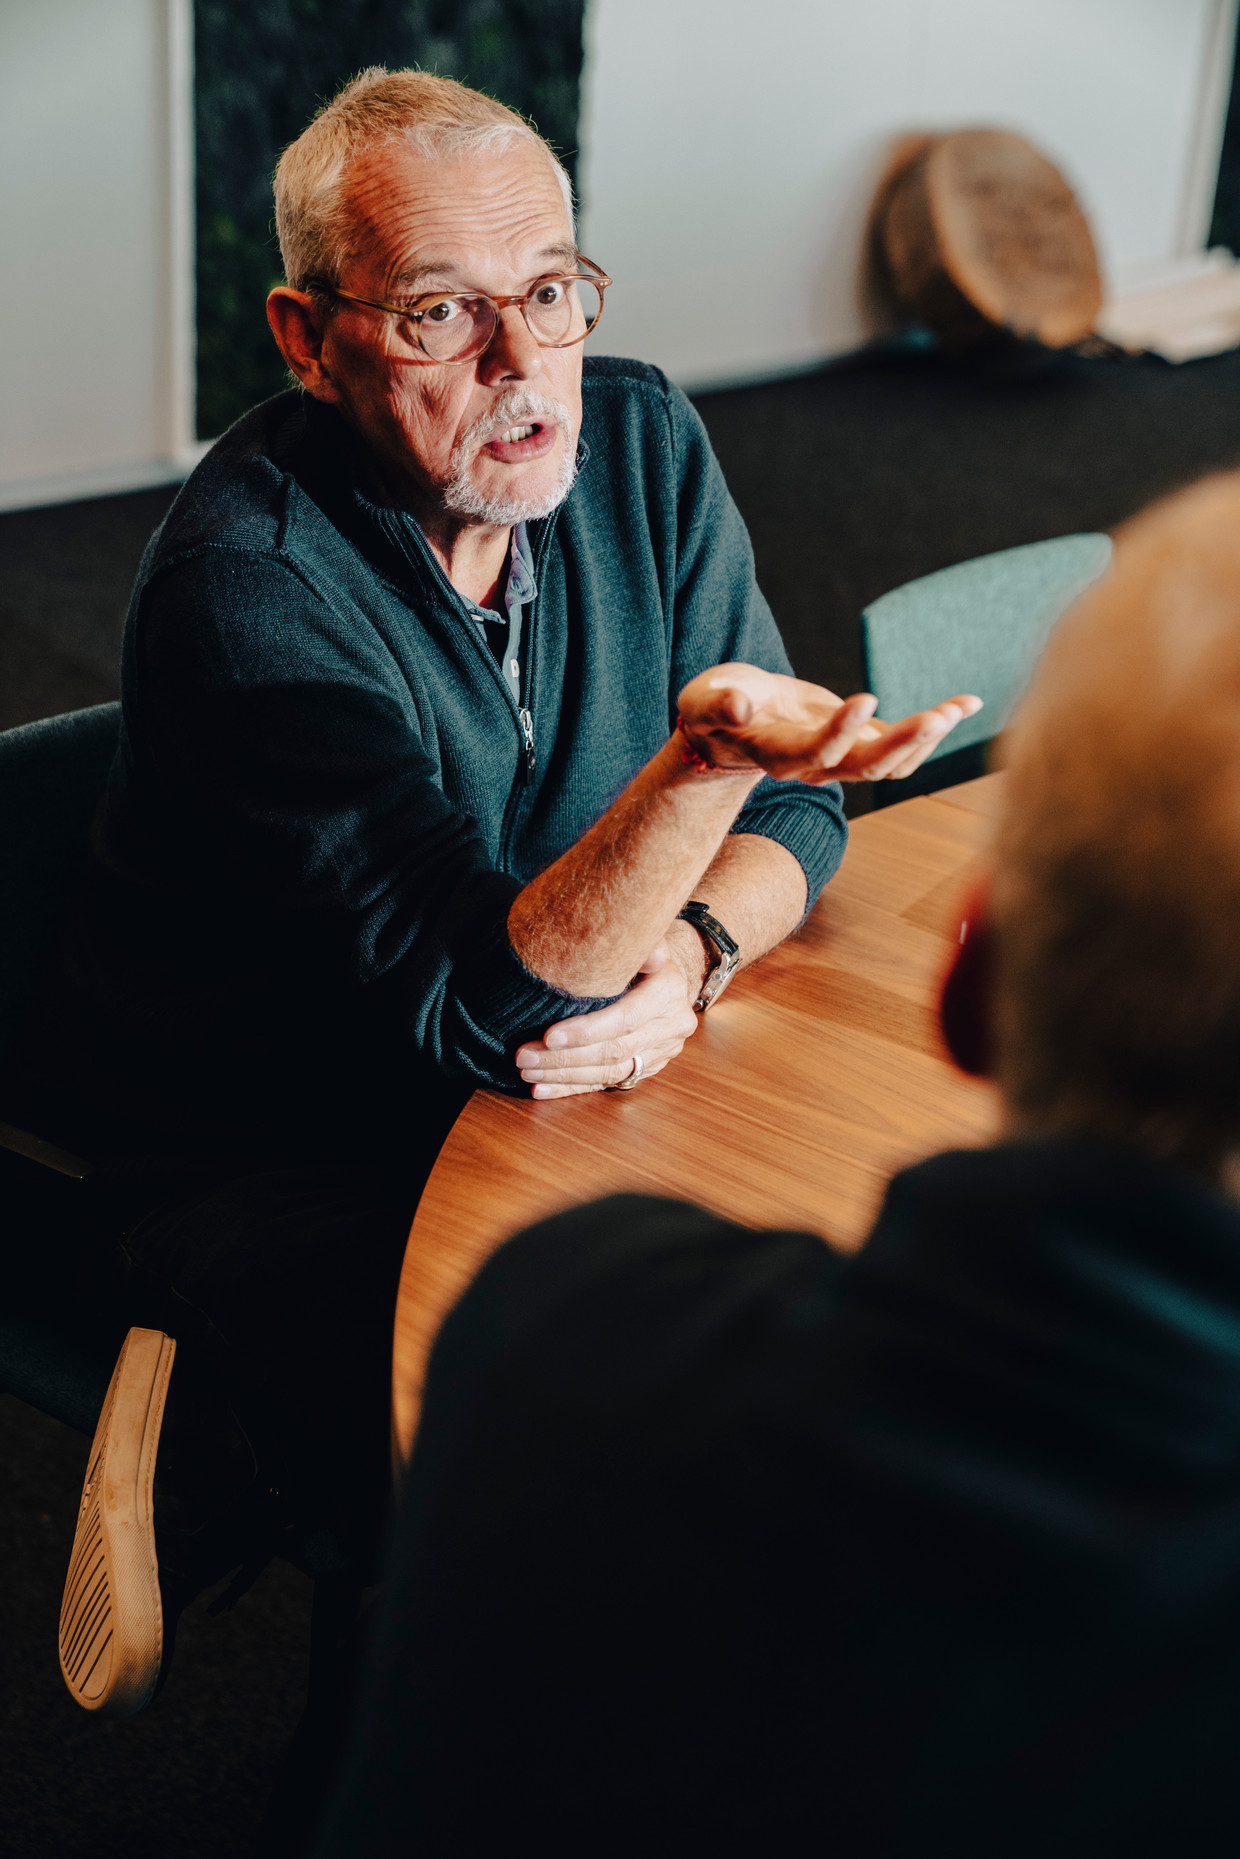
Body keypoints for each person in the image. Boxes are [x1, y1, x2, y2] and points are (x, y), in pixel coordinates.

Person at [2, 69, 977, 1716]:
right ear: (307, 342)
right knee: (633, 1522)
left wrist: (692, 942)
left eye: (548, 294)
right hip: (281, 1155)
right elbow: (489, 1000)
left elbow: (804, 833)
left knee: (877, 1360)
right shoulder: (247, 590)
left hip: (565, 1079)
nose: (527, 368)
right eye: (444, 316)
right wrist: (708, 768)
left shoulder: (643, 437)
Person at [309, 472, 1240, 1858]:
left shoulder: (558, 1332)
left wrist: (694, 940)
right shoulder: (277, 580)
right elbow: (495, 990)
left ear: (970, 979)